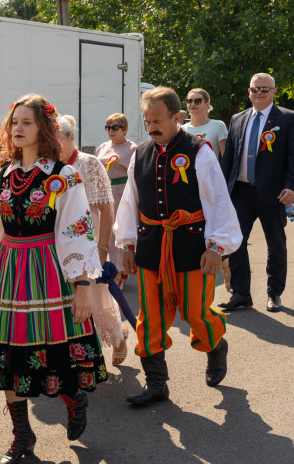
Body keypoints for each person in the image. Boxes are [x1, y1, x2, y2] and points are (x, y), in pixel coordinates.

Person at [0, 94, 107, 464]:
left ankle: (74, 398)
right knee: (7, 355)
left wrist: (82, 286)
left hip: (49, 270)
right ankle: (22, 436)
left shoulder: (63, 176)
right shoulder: (4, 174)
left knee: (52, 348)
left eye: (26, 122)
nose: (17, 129)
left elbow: (77, 231)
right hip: (9, 270)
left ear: (44, 128)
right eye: (14, 122)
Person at [114, 87, 242, 406]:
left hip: (192, 247)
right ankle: (156, 383)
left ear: (176, 117)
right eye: (147, 122)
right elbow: (130, 202)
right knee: (150, 318)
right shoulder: (140, 155)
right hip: (150, 247)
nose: (152, 127)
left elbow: (218, 201)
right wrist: (127, 244)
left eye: (157, 121)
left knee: (196, 313)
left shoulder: (200, 151)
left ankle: (216, 346)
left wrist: (216, 248)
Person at [219, 73, 294, 313]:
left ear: (274, 91)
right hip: (241, 193)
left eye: (265, 88)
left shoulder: (288, 118)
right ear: (249, 92)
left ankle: (274, 293)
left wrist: (292, 186)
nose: (259, 92)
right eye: (255, 88)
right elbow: (229, 159)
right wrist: (222, 190)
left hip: (274, 194)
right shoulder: (237, 119)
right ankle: (241, 293)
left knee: (275, 244)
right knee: (236, 243)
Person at [55, 114, 129, 364]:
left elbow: (107, 208)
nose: (54, 147)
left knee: (99, 293)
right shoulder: (47, 165)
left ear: (71, 138)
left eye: (58, 141)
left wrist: (103, 247)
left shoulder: (89, 163)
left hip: (90, 235)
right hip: (59, 238)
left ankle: (118, 337)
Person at [182, 88, 232, 289]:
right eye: (189, 100)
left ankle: (227, 268)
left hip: (211, 188)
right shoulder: (182, 129)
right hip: (188, 190)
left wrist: (225, 188)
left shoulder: (217, 126)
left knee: (215, 231)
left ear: (206, 104)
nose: (192, 103)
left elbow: (225, 159)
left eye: (197, 100)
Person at [95, 113, 134, 281]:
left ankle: (118, 270)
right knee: (103, 229)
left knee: (117, 230)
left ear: (124, 129)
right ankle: (103, 264)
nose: (110, 131)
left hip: (121, 191)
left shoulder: (133, 148)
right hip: (103, 192)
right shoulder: (102, 147)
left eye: (115, 127)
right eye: (108, 127)